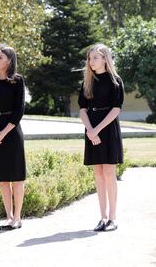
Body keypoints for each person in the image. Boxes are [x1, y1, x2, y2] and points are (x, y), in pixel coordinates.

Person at [78, 43, 124, 232]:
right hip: (91, 129)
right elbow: (82, 109)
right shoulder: (87, 82)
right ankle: (103, 217)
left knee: (109, 173)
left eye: (95, 57)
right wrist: (90, 130)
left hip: (108, 128)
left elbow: (116, 109)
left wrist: (97, 130)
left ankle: (113, 218)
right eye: (89, 58)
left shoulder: (115, 80)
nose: (91, 61)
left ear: (105, 58)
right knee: (98, 174)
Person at [0, 44, 26, 230]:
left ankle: (17, 217)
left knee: (16, 177)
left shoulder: (18, 81)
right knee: (2, 178)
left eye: (0, 57)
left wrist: (2, 133)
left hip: (11, 132)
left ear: (9, 60)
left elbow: (19, 111)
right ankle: (8, 216)